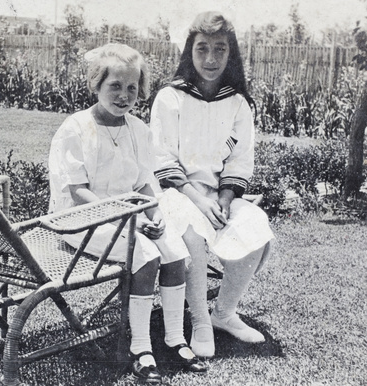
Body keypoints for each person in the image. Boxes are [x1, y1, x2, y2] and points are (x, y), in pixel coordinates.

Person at [48, 43, 207, 383]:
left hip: (129, 217)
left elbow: (145, 183)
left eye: (132, 88)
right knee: (146, 254)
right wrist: (130, 218)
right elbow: (78, 193)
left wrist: (154, 214)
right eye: (115, 86)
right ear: (96, 85)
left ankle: (175, 338)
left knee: (176, 252)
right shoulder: (76, 129)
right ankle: (140, 348)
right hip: (83, 221)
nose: (124, 95)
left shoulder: (138, 130)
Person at [149, 11, 275, 358]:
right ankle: (200, 321)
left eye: (220, 50)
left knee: (256, 224)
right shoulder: (170, 98)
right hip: (173, 193)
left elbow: (239, 160)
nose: (210, 59)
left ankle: (223, 313)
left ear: (230, 54)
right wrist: (198, 200)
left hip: (216, 195)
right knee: (191, 230)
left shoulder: (237, 103)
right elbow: (161, 159)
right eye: (202, 49)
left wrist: (223, 197)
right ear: (189, 51)